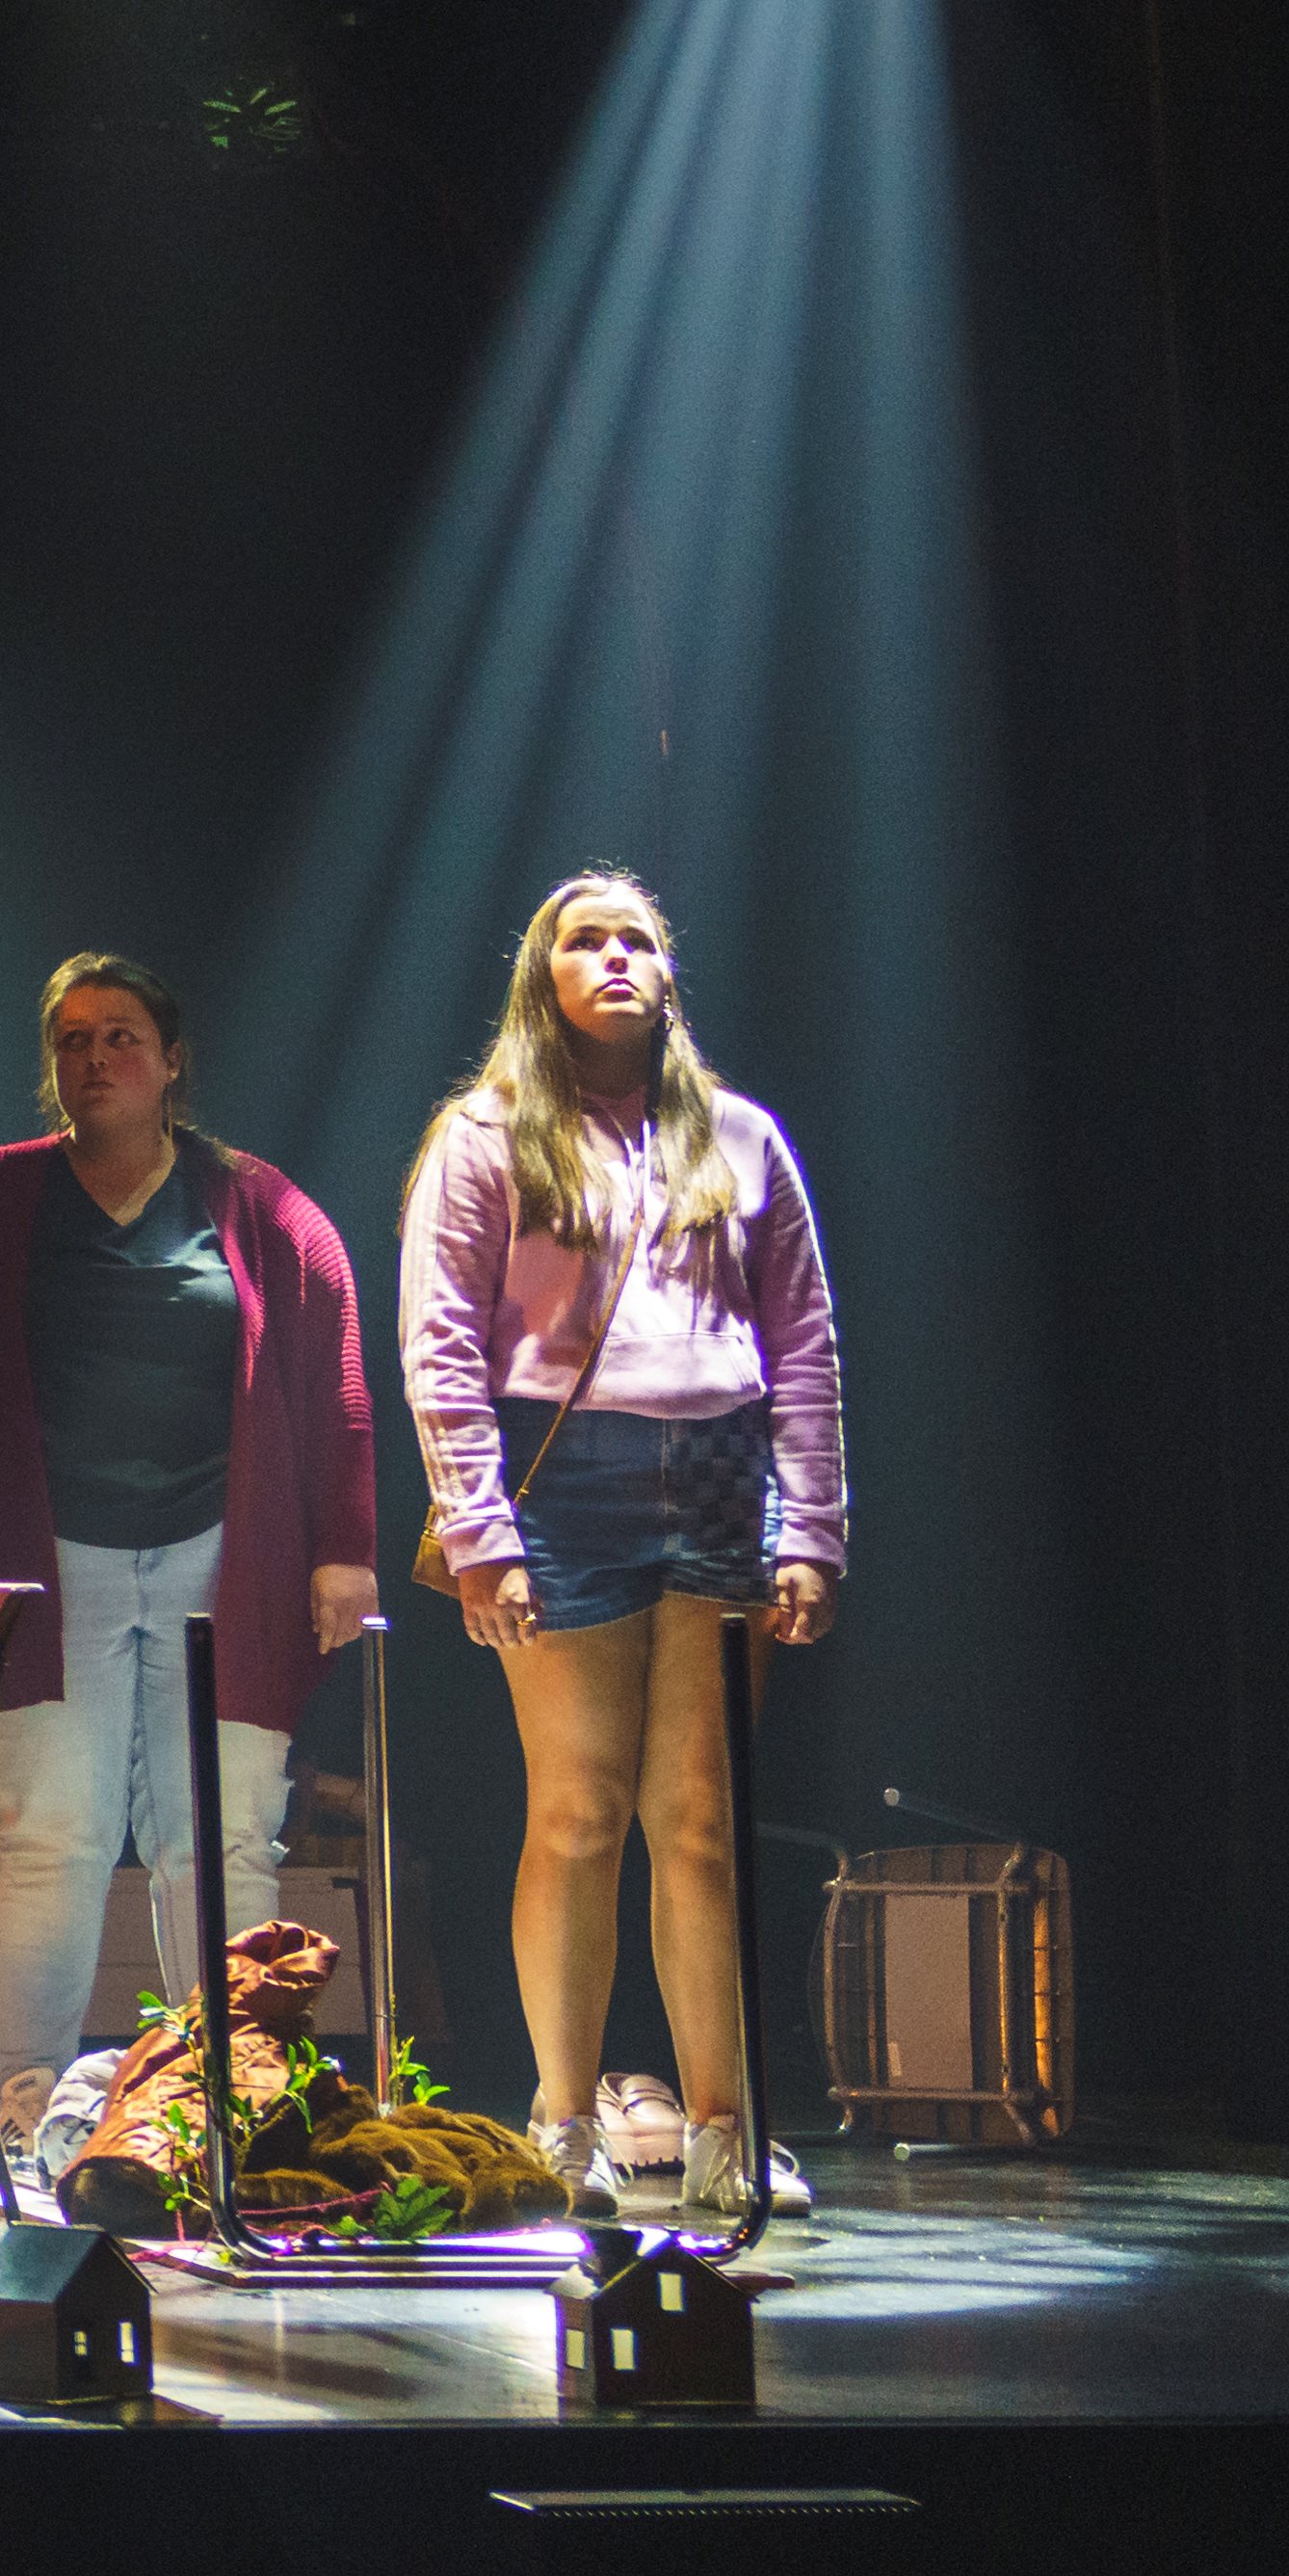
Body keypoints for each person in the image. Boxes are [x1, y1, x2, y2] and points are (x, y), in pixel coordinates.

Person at [402, 871, 849, 2220]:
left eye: (635, 938)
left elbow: (806, 1346)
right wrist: (478, 1526)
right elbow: (440, 1343)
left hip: (715, 1475)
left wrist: (808, 1525)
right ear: (540, 976)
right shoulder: (485, 1133)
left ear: (668, 974)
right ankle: (560, 2121)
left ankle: (722, 2127)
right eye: (581, 939)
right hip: (563, 1477)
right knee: (578, 1811)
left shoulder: (742, 1137)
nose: (611, 956)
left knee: (701, 1827)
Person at [0, 952, 375, 2100]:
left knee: (223, 1832)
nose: (95, 1058)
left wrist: (343, 1544)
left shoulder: (263, 1206)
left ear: (171, 1060)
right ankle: (27, 2091)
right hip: (46, 1565)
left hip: (225, 1557)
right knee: (48, 1829)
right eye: (72, 1040)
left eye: (121, 1037)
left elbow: (334, 1379)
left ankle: (227, 2092)